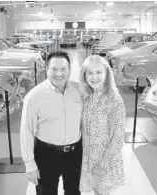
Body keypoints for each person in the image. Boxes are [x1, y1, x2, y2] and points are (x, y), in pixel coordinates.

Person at [20, 51, 83, 195]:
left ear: (69, 70)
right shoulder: (34, 96)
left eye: (63, 69)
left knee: (74, 191)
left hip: (75, 153)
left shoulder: (79, 90)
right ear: (46, 69)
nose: (59, 74)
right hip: (46, 154)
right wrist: (29, 164)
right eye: (54, 69)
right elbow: (27, 131)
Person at [79, 55, 126, 195]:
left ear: (106, 74)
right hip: (88, 157)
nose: (94, 77)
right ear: (84, 76)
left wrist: (103, 164)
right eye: (90, 73)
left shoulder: (114, 100)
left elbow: (118, 138)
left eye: (98, 72)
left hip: (105, 160)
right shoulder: (86, 97)